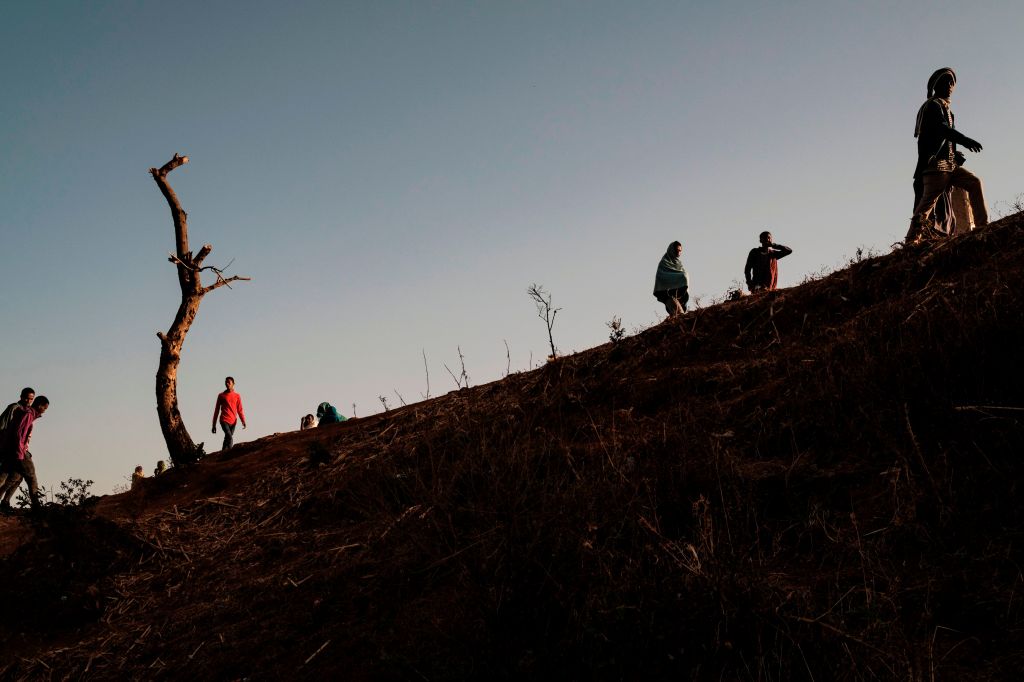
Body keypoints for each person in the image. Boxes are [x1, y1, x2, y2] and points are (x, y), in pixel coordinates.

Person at [905, 68, 988, 245]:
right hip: (936, 166)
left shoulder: (947, 110)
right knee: (927, 204)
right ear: (936, 85)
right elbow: (942, 130)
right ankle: (912, 240)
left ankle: (983, 227)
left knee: (974, 182)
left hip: (950, 165)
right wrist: (965, 140)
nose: (950, 85)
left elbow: (944, 137)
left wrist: (955, 152)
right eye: (946, 81)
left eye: (952, 82)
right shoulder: (932, 106)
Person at [0, 396, 49, 512]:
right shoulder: (28, 414)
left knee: (14, 476)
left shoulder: (26, 413)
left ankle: (5, 502)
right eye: (45, 408)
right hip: (18, 451)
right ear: (40, 405)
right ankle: (37, 507)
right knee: (31, 477)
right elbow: (18, 435)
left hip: (13, 450)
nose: (45, 411)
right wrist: (21, 453)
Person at [0, 388, 34, 511]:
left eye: (31, 399)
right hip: (8, 448)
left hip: (20, 449)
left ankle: (5, 502)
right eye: (26, 398)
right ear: (21, 396)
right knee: (5, 475)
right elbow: (2, 425)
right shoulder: (14, 408)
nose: (28, 401)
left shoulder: (29, 411)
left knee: (17, 476)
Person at [652, 241, 689, 315]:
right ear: (672, 250)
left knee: (680, 315)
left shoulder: (678, 263)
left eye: (680, 251)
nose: (679, 253)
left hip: (678, 296)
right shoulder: (664, 263)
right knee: (679, 314)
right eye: (677, 250)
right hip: (667, 295)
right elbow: (662, 278)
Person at [212, 376, 246, 451]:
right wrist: (214, 425)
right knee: (229, 437)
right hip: (224, 420)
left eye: (229, 382)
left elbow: (240, 410)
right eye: (226, 382)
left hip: (233, 421)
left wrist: (243, 421)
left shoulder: (237, 396)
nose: (227, 384)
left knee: (227, 438)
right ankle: (230, 454)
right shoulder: (221, 395)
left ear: (233, 384)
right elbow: (216, 410)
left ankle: (222, 453)